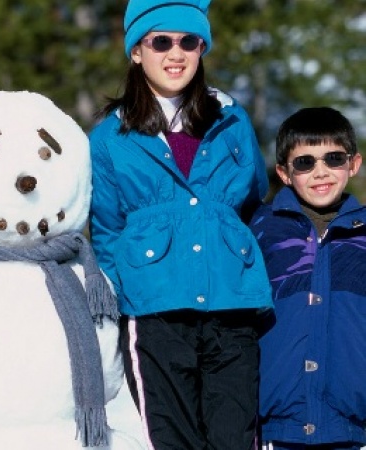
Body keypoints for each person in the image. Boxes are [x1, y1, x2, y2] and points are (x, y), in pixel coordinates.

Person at [88, 0, 274, 448]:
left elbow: (251, 195)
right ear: (137, 51)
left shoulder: (232, 120)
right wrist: (128, 291)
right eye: (161, 41)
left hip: (232, 306)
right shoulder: (110, 139)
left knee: (234, 437)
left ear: (202, 48)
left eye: (188, 41)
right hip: (156, 313)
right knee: (173, 440)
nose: (176, 53)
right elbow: (107, 230)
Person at [249, 107, 365, 450]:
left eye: (333, 158)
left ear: (353, 164)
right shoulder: (261, 227)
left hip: (352, 427)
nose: (321, 172)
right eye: (305, 163)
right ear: (284, 172)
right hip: (278, 427)